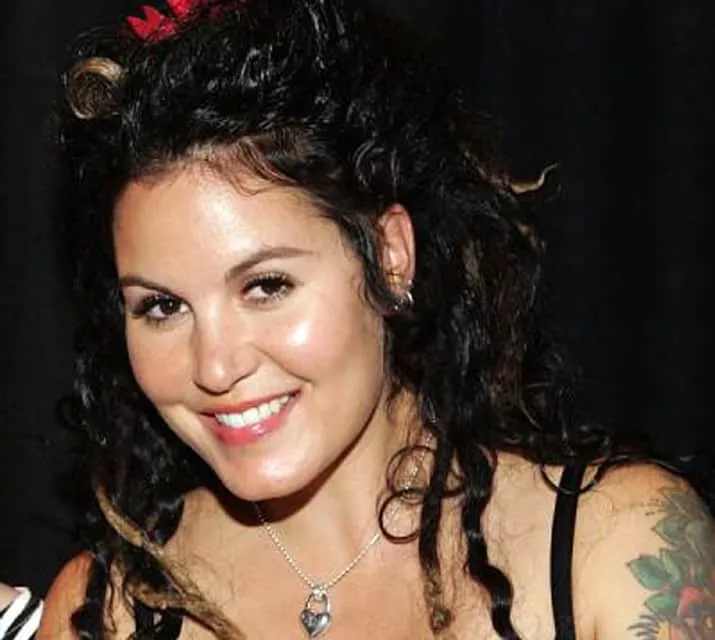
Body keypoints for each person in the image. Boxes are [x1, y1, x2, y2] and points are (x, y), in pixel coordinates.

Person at [40, 0, 715, 638]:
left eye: (267, 286)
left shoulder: (618, 545)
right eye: (162, 307)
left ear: (390, 257)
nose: (215, 366)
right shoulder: (108, 610)